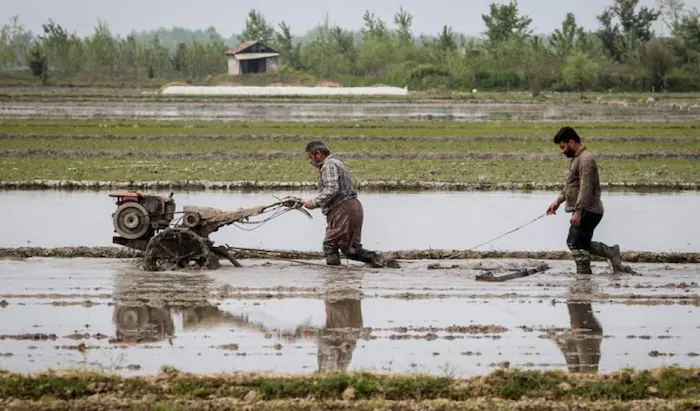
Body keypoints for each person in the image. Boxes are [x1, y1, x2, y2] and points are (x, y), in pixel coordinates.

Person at [546, 126, 633, 275]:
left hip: (588, 210)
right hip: (587, 209)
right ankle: (610, 252)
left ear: (571, 142)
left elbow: (585, 188)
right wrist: (557, 202)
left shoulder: (585, 160)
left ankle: (584, 274)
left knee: (574, 242)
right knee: (582, 243)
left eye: (563, 147)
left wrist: (578, 212)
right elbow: (572, 185)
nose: (562, 151)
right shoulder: (578, 158)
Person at [302, 140, 398, 268]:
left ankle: (334, 277)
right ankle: (381, 260)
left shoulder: (328, 165)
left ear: (318, 154)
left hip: (343, 210)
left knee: (330, 245)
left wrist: (314, 202)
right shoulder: (336, 163)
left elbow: (332, 189)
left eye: (310, 157)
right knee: (350, 249)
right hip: (352, 207)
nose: (309, 161)